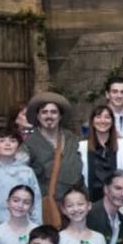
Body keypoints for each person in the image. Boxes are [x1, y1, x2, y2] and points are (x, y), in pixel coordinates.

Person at [20, 92, 84, 227]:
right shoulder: (29, 144)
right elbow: (20, 173)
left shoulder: (71, 138)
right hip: (48, 206)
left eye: (54, 112)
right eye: (44, 112)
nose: (49, 116)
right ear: (38, 116)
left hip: (74, 206)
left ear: (60, 116)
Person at [0, 127, 42, 227]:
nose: (7, 144)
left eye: (12, 141)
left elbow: (36, 201)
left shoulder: (27, 172)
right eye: (2, 141)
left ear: (18, 147)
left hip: (22, 224)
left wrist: (37, 226)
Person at [80, 105, 123, 208]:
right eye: (98, 117)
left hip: (119, 206)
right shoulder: (82, 147)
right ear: (92, 121)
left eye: (107, 117)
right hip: (91, 205)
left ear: (112, 121)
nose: (103, 121)